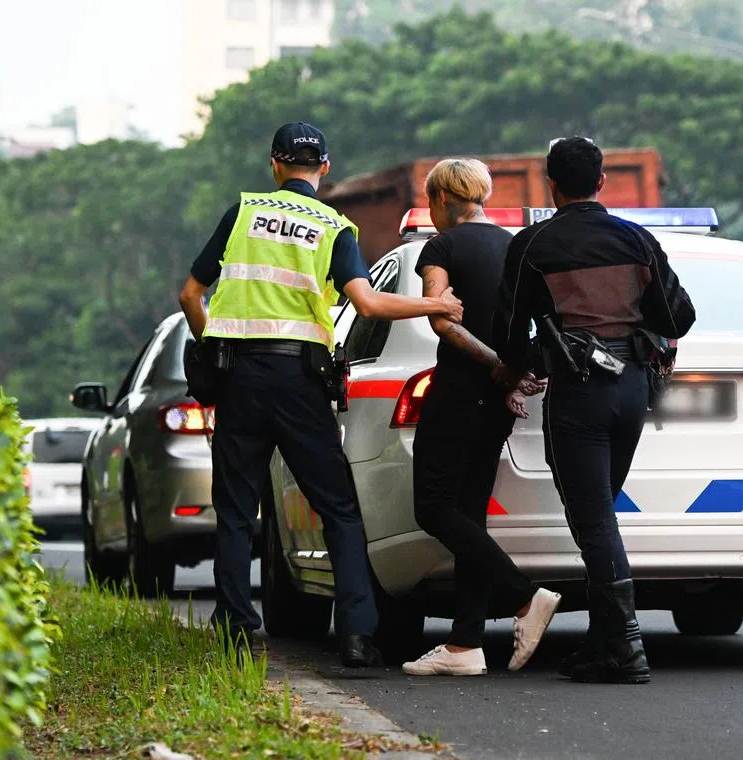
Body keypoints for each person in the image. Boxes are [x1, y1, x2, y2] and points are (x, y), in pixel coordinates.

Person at [178, 122, 464, 668]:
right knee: (338, 508)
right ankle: (357, 635)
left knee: (237, 509)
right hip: (299, 384)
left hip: (239, 379)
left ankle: (236, 628)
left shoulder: (242, 214)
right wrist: (437, 307)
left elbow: (192, 294)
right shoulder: (335, 227)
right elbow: (369, 304)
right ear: (324, 169)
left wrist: (213, 344)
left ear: (274, 164)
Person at [492, 137, 692, 684]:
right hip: (632, 390)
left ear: (550, 185)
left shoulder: (534, 245)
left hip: (578, 393)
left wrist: (531, 360)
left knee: (594, 520)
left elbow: (509, 338)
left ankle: (626, 649)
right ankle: (603, 643)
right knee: (598, 514)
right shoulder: (637, 239)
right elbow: (680, 316)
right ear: (602, 182)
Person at [400, 159, 560, 678]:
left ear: (444, 198)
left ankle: (523, 597)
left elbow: (441, 318)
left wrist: (494, 366)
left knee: (433, 508)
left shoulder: (440, 247)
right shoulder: (517, 245)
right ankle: (465, 645)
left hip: (460, 391)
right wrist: (515, 375)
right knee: (469, 514)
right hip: (497, 403)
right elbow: (538, 324)